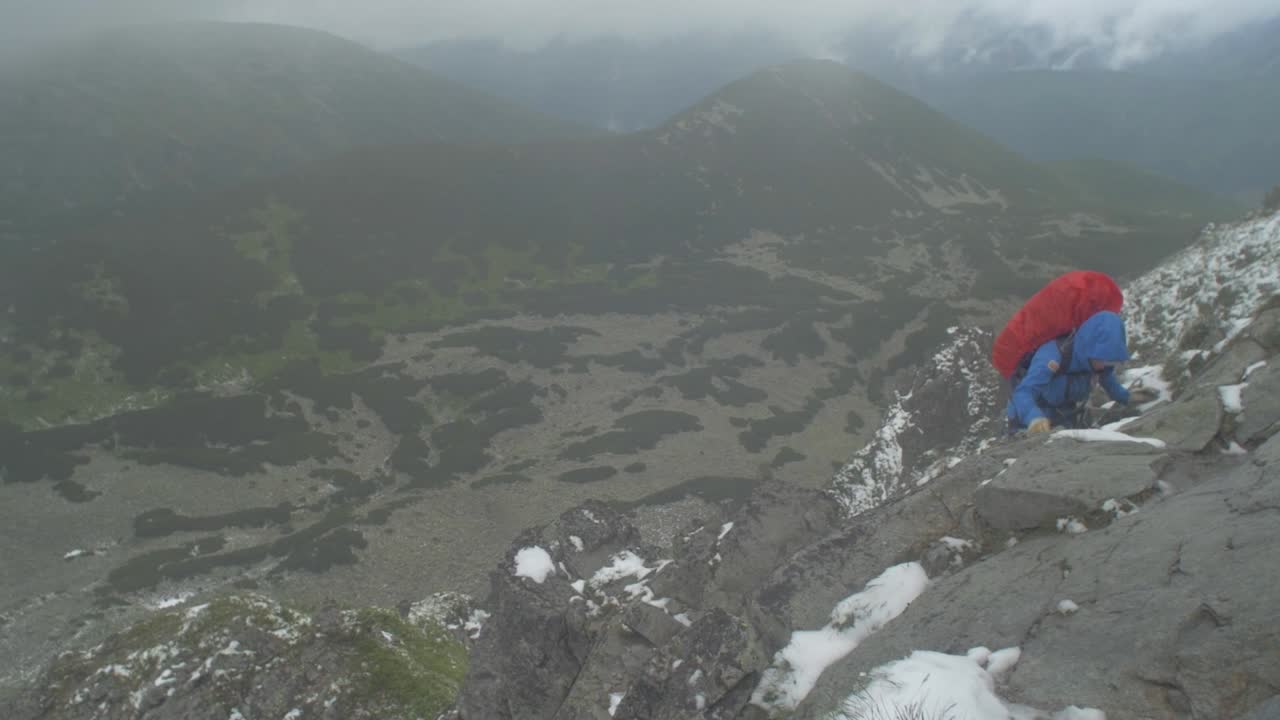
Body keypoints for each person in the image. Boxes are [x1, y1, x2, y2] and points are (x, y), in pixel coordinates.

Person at [1006, 310, 1137, 433]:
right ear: (1090, 348)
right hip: (1027, 420)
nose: (1104, 366)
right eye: (1102, 359)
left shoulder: (1099, 362)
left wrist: (1128, 398)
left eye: (1110, 361)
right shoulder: (1053, 355)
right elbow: (1024, 392)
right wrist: (1033, 418)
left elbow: (1110, 383)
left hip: (1064, 417)